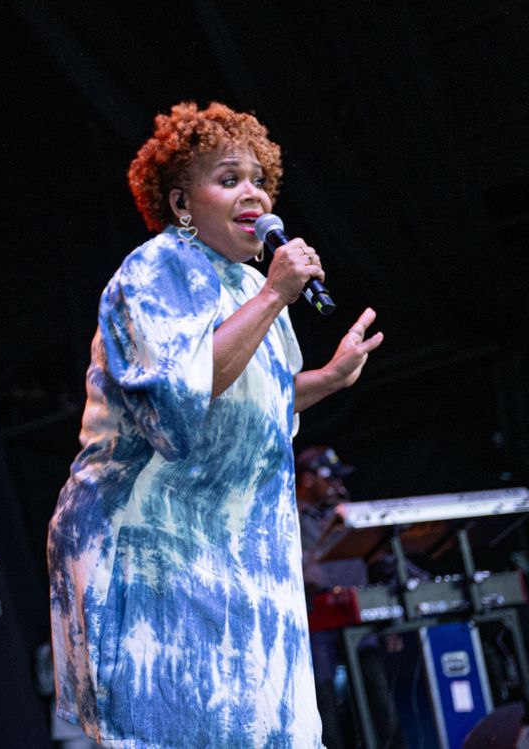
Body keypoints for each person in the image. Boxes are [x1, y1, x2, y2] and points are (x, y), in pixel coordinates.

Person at [46, 101, 384, 746]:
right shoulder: (153, 271)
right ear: (180, 204)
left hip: (242, 549)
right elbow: (179, 398)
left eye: (259, 179)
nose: (253, 192)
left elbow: (256, 405)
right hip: (150, 549)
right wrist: (274, 294)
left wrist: (329, 378)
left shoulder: (252, 290)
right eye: (229, 179)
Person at [296, 445, 406, 748]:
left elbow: (383, 560)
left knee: (381, 703)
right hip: (316, 625)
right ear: (307, 481)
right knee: (324, 706)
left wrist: (392, 613)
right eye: (331, 480)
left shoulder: (346, 516)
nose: (339, 487)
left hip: (361, 617)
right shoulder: (288, 516)